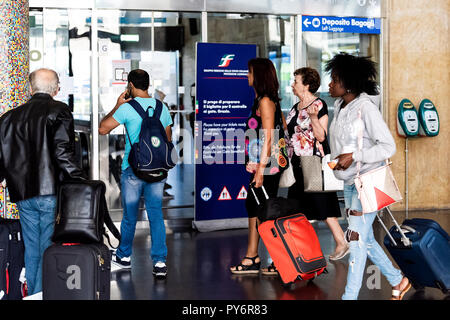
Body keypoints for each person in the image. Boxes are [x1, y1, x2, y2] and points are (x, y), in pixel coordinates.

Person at [326, 53, 411, 300]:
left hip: (368, 182)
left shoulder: (366, 108)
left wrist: (354, 155)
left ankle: (349, 297)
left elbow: (387, 146)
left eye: (334, 79)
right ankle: (398, 280)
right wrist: (341, 159)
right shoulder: (340, 106)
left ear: (349, 83)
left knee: (356, 240)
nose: (330, 84)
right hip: (351, 183)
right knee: (365, 237)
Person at [0, 68, 84, 295]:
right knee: (48, 247)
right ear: (57, 89)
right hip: (49, 192)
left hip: (22, 193)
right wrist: (80, 180)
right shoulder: (60, 111)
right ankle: (41, 294)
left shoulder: (8, 117)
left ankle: (34, 294)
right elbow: (62, 152)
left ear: (30, 88)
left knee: (32, 248)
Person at [99, 69, 173, 279]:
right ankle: (159, 262)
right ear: (148, 85)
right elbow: (166, 139)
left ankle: (123, 257)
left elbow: (103, 128)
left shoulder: (127, 108)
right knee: (156, 214)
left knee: (130, 216)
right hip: (157, 169)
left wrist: (118, 105)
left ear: (130, 85)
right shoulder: (162, 107)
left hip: (133, 169)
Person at [230, 58, 288, 275]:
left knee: (263, 211)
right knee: (256, 209)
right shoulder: (264, 100)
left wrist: (261, 170)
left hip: (268, 168)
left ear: (259, 75)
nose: (248, 75)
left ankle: (267, 258)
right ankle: (254, 256)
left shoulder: (265, 101)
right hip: (263, 165)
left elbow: (269, 139)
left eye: (250, 72)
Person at [285, 67, 349, 261]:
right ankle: (301, 249)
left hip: (313, 161)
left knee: (321, 203)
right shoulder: (294, 108)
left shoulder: (318, 105)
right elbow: (289, 135)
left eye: (296, 81)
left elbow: (321, 136)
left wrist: (312, 117)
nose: (292, 85)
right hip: (297, 162)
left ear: (306, 85)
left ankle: (340, 242)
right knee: (296, 206)